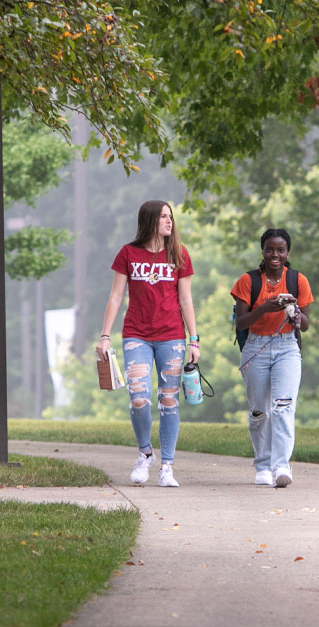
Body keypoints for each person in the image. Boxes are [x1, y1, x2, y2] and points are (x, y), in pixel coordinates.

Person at [96, 200, 200, 487]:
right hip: (136, 335)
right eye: (164, 216)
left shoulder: (179, 254)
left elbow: (186, 299)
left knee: (169, 400)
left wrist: (195, 339)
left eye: (171, 216)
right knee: (138, 396)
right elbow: (116, 297)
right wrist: (105, 336)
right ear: (150, 220)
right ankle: (145, 454)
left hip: (172, 336)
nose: (169, 221)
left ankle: (167, 466)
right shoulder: (128, 254)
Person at [231, 228, 313, 487]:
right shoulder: (248, 281)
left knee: (283, 406)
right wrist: (265, 308)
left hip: (287, 347)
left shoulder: (298, 280)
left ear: (287, 253)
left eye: (280, 250)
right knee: (259, 411)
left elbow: (306, 325)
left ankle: (281, 466)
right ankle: (263, 465)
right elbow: (241, 323)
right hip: (256, 347)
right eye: (269, 249)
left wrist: (294, 312)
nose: (274, 255)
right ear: (262, 251)